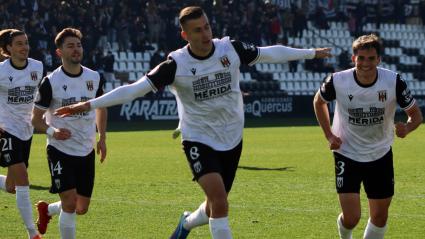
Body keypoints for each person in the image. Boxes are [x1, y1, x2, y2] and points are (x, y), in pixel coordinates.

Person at [54, 6, 331, 239]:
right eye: (197, 30)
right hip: (197, 138)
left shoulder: (230, 48)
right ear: (185, 34)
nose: (206, 34)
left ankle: (185, 223)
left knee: (213, 206)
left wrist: (309, 53)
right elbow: (134, 89)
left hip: (232, 137)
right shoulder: (176, 64)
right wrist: (89, 104)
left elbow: (269, 52)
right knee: (221, 203)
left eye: (207, 27)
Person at [313, 34, 423, 239]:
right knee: (352, 217)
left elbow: (416, 115)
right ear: (354, 59)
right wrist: (329, 135)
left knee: (380, 216)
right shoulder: (337, 80)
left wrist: (407, 129)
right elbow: (318, 102)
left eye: (371, 58)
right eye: (361, 58)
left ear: (379, 59)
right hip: (346, 153)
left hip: (380, 154)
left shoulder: (393, 81)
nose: (366, 63)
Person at [31, 28, 107, 239]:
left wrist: (102, 138)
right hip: (59, 150)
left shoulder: (94, 77)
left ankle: (47, 210)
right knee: (70, 203)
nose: (76, 50)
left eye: (78, 45)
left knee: (81, 207)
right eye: (70, 46)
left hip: (86, 149)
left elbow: (101, 106)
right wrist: (53, 132)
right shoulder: (50, 82)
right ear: (59, 52)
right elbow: (35, 119)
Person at [0, 29, 43, 239]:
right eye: (19, 43)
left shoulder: (37, 67)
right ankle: (32, 233)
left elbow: (41, 98)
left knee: (11, 186)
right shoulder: (1, 70)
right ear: (8, 48)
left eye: (26, 43)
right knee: (23, 180)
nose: (24, 47)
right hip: (5, 130)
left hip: (27, 130)